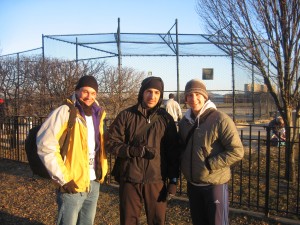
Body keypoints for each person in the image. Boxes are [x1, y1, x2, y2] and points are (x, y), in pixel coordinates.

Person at [107, 76, 180, 225]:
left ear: (161, 95)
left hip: (156, 180)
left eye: (156, 92)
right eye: (149, 91)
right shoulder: (126, 115)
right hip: (130, 178)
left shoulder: (166, 119)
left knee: (157, 220)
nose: (152, 96)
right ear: (142, 92)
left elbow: (173, 152)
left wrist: (173, 180)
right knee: (128, 220)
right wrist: (131, 151)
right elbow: (110, 143)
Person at [37, 75, 108, 225]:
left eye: (93, 93)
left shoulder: (98, 114)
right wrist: (63, 178)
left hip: (93, 181)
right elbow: (45, 145)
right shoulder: (65, 112)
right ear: (76, 91)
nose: (89, 96)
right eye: (85, 91)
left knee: (87, 222)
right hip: (72, 182)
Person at [178, 79, 244, 225]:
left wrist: (210, 164)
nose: (193, 98)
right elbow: (182, 147)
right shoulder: (185, 123)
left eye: (197, 94)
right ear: (185, 98)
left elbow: (237, 151)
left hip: (214, 185)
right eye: (189, 95)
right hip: (193, 185)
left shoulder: (220, 119)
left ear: (205, 96)